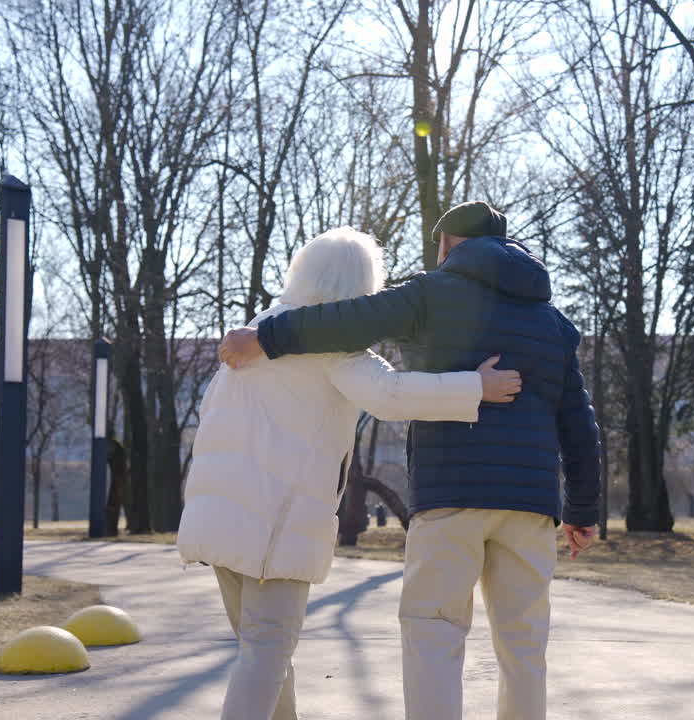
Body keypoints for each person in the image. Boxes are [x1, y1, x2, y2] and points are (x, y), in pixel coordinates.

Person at [218, 201, 602, 720]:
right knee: (524, 643)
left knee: (433, 634)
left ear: (447, 243)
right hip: (530, 505)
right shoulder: (553, 323)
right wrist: (582, 510)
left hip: (449, 497)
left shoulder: (430, 293)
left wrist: (265, 337)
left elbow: (347, 321)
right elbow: (579, 424)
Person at [178, 226, 523, 720]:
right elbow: (391, 395)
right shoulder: (329, 346)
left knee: (262, 649)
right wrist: (475, 387)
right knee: (268, 649)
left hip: (217, 519)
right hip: (273, 526)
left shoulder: (258, 330)